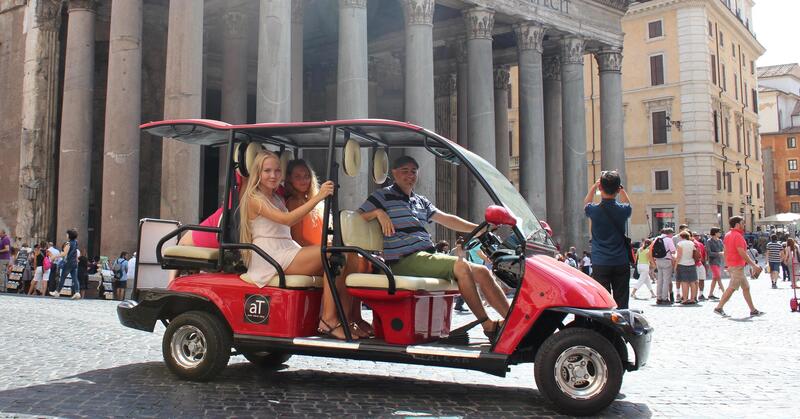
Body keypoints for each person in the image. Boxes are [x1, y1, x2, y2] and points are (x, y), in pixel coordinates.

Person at [358, 155, 509, 339]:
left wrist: (480, 228)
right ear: (394, 173)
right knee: (462, 267)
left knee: (483, 272)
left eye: (413, 171)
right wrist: (378, 212)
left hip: (425, 256)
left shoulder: (420, 201)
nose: (410, 175)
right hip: (403, 260)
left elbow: (447, 219)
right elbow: (357, 217)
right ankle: (487, 325)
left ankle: (512, 322)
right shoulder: (382, 196)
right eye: (404, 171)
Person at [240, 151, 359, 340]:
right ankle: (327, 319)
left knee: (345, 256)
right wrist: (318, 197)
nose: (273, 175)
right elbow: (287, 220)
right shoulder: (255, 198)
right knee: (331, 254)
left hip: (287, 249)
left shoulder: (277, 198)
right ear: (258, 173)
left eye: (277, 170)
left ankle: (346, 318)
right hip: (270, 255)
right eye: (267, 171)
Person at [284, 158, 372, 338]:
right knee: (339, 257)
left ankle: (351, 317)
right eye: (298, 176)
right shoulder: (294, 202)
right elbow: (298, 238)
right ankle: (331, 318)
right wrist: (322, 249)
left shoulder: (317, 202)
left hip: (321, 251)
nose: (303, 180)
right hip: (308, 255)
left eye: (306, 176)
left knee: (359, 259)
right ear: (290, 180)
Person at [583, 170, 632, 309]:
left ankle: (604, 329)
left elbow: (586, 202)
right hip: (621, 260)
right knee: (622, 300)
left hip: (600, 261)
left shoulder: (593, 210)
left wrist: (593, 187)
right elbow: (628, 204)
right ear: (618, 189)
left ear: (600, 188)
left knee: (603, 302)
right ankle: (621, 327)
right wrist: (622, 191)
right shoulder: (623, 210)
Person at [713, 216, 764, 317]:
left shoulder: (728, 235)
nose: (744, 225)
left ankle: (753, 310)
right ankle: (719, 307)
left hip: (733, 264)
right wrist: (753, 265)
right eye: (742, 223)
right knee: (732, 287)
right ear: (737, 224)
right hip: (737, 265)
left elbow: (726, 251)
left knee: (746, 287)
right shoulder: (738, 236)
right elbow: (742, 253)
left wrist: (727, 264)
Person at [49, 229, 81, 299]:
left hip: (68, 262)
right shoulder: (76, 242)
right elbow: (75, 253)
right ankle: (77, 292)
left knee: (62, 278)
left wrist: (54, 256)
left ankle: (57, 292)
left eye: (67, 234)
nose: (66, 235)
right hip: (74, 263)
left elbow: (64, 253)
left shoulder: (68, 243)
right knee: (75, 278)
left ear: (69, 235)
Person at [651, 227, 677, 305]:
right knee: (666, 280)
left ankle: (658, 298)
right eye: (672, 234)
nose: (672, 235)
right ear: (669, 233)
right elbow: (673, 250)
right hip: (666, 260)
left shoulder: (656, 238)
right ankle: (664, 298)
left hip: (658, 260)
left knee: (660, 280)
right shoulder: (669, 239)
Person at [673, 231, 698, 304]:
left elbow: (679, 256)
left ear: (681, 237)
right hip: (691, 263)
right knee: (692, 282)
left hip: (682, 264)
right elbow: (694, 253)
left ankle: (685, 299)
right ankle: (692, 299)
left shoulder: (680, 244)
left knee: (684, 282)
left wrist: (675, 265)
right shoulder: (691, 243)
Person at [706, 228, 725, 300]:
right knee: (718, 277)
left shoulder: (720, 241)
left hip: (719, 261)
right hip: (713, 261)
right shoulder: (709, 241)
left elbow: (723, 249)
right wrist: (719, 253)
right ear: (715, 233)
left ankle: (710, 294)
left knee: (715, 279)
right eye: (719, 232)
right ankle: (724, 293)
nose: (720, 233)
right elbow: (709, 253)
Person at [692, 231, 708, 301]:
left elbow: (704, 256)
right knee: (696, 281)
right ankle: (694, 296)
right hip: (694, 264)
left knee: (702, 279)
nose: (697, 236)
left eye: (698, 235)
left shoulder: (700, 244)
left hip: (700, 264)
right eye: (695, 235)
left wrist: (705, 265)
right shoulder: (692, 243)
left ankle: (701, 294)